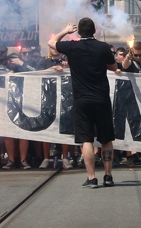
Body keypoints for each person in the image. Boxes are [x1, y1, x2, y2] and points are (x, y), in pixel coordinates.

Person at [49, 18, 117, 188]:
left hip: (82, 99)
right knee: (106, 138)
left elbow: (51, 43)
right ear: (94, 31)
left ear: (78, 32)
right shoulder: (103, 47)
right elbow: (114, 68)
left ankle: (92, 177)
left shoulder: (72, 46)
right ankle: (108, 176)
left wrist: (65, 30)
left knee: (86, 140)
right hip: (101, 98)